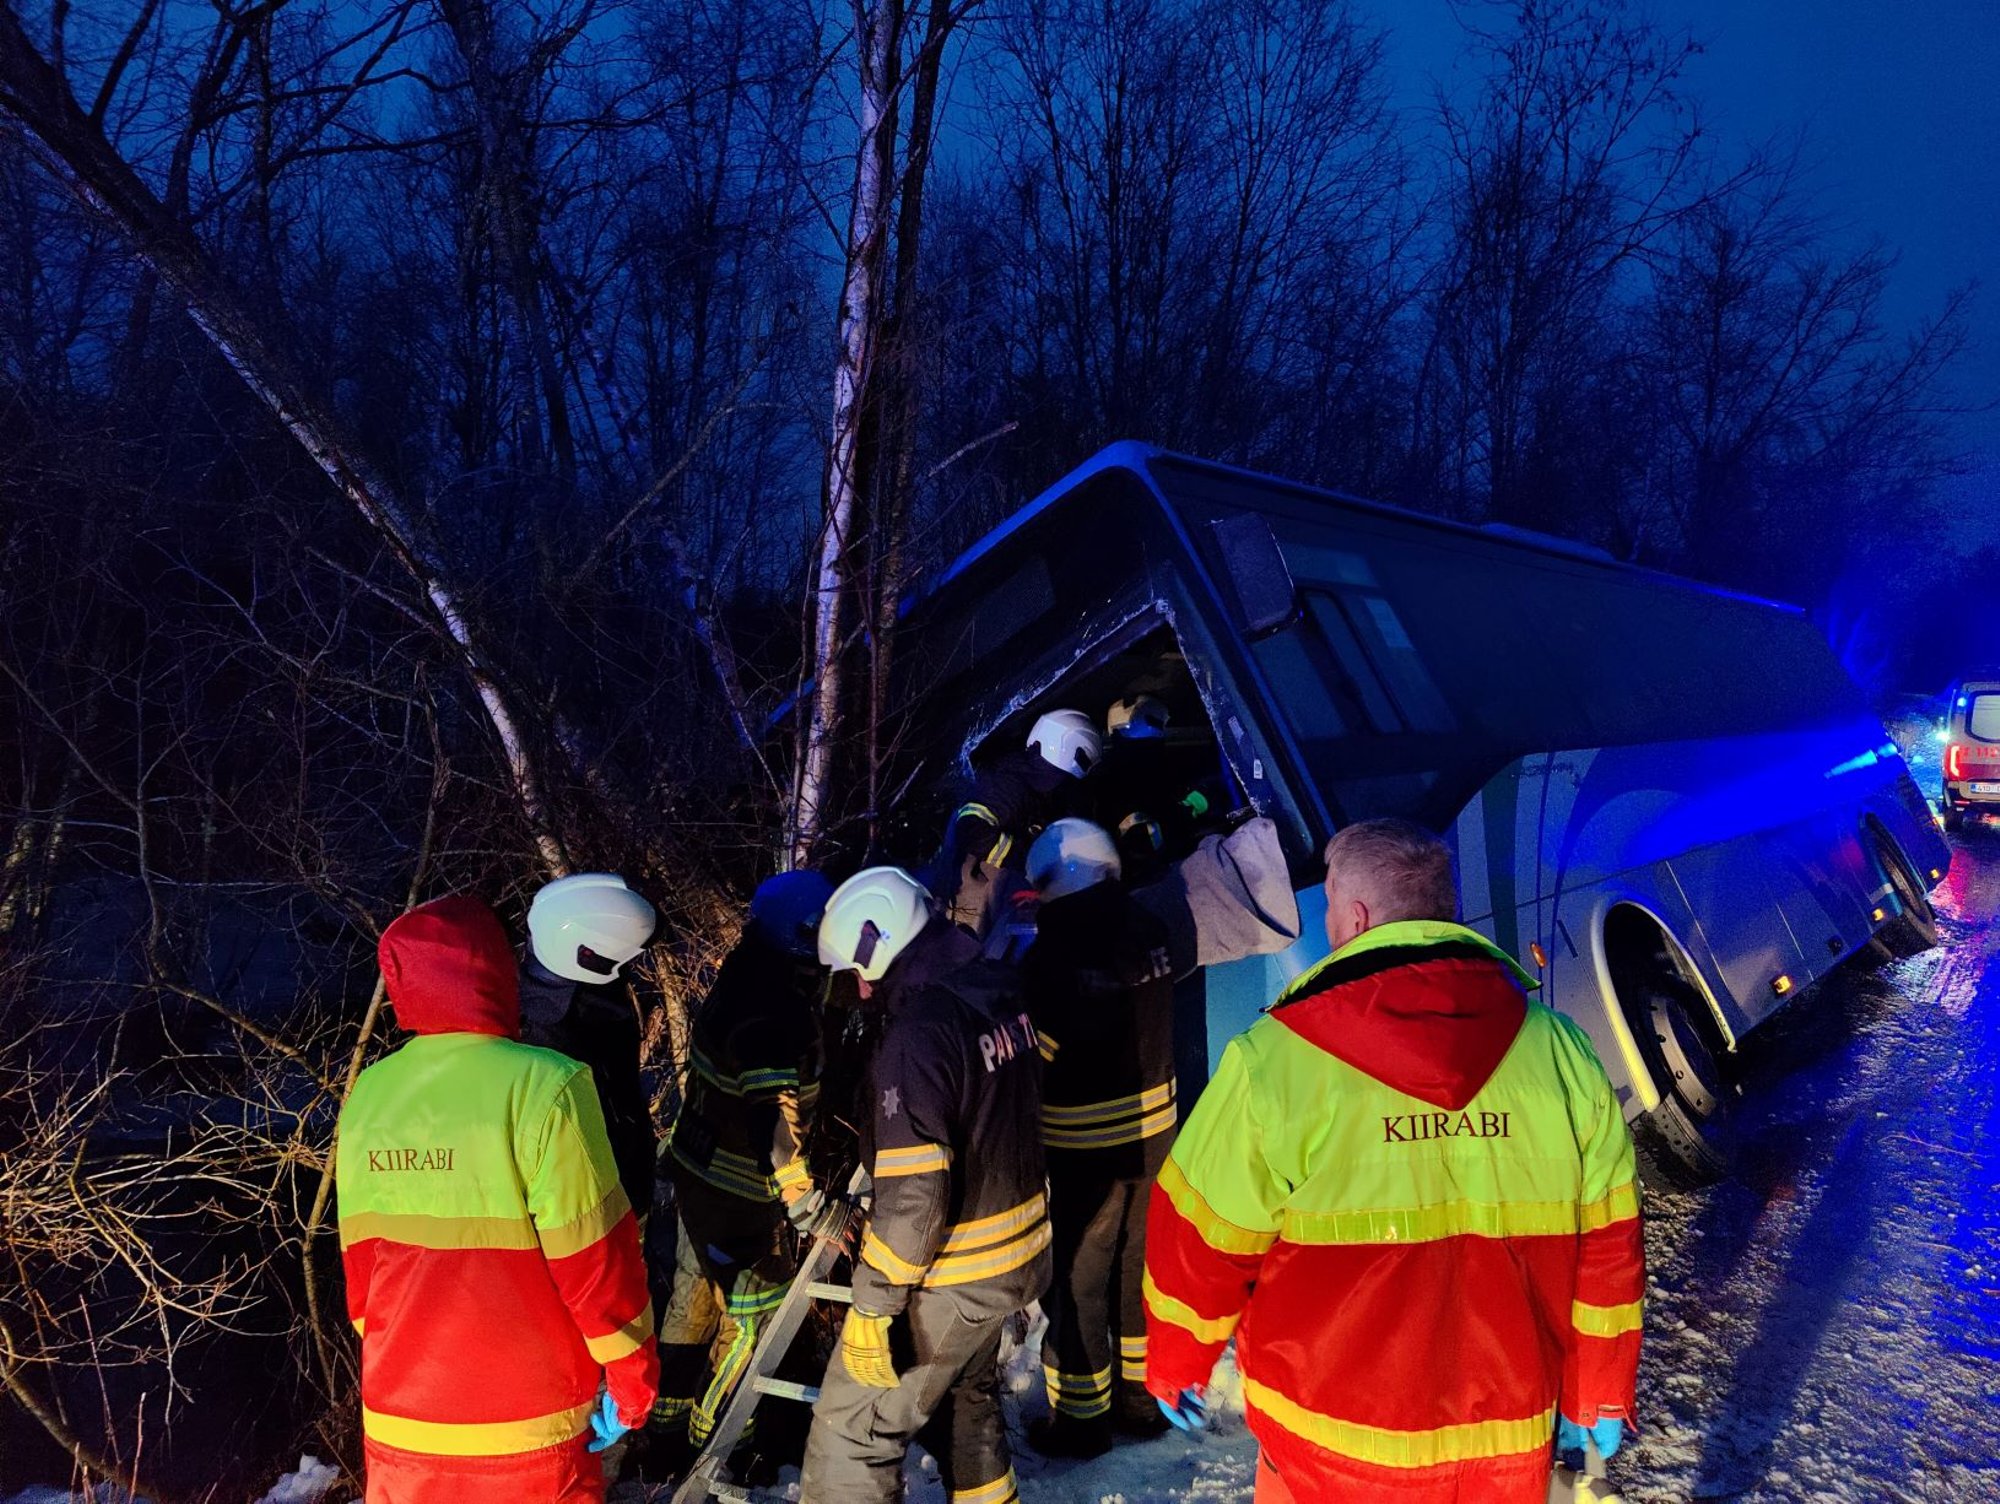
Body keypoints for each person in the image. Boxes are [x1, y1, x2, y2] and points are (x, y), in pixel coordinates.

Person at [1143, 819, 1644, 1503]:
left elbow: (1198, 1237)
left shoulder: (1274, 1062)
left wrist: (1178, 1360)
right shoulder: (1563, 1054)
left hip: (1325, 1449)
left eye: (1329, 911)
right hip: (1506, 1445)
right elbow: (1609, 1252)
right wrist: (1601, 1390)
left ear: (1356, 915)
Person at [337, 895, 658, 1503]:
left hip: (400, 1426)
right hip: (528, 1431)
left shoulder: (370, 1094)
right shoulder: (548, 1082)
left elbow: (361, 1283)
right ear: (495, 973)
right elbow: (595, 1261)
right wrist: (632, 1379)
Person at [799, 867, 1051, 1504]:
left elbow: (915, 1199)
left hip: (955, 1272)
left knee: (852, 1433)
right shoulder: (994, 985)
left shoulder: (917, 1035)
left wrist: (872, 1306)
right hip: (1015, 1252)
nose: (859, 991)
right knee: (968, 1399)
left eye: (860, 973)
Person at [654, 870, 833, 1470]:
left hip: (695, 1176)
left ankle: (664, 1436)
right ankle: (718, 1445)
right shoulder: (772, 1008)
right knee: (750, 1324)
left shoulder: (744, 970)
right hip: (741, 1199)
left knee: (692, 1304)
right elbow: (774, 1115)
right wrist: (804, 1197)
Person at [1020, 819, 1186, 1458]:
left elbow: (1040, 1055)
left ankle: (1081, 1422)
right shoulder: (1149, 928)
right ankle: (1142, 1402)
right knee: (1134, 1274)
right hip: (1155, 1138)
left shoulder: (1054, 955)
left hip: (1086, 1150)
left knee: (1079, 1279)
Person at [519, 873, 660, 1223]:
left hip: (613, 1197)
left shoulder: (552, 1000)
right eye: (625, 961)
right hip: (599, 1213)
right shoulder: (554, 1035)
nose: (629, 970)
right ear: (590, 955)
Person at [930, 707, 1100, 937]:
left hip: (1004, 899)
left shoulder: (1041, 783)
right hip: (974, 904)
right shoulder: (1009, 781)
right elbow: (973, 830)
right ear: (1076, 753)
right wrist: (1027, 859)